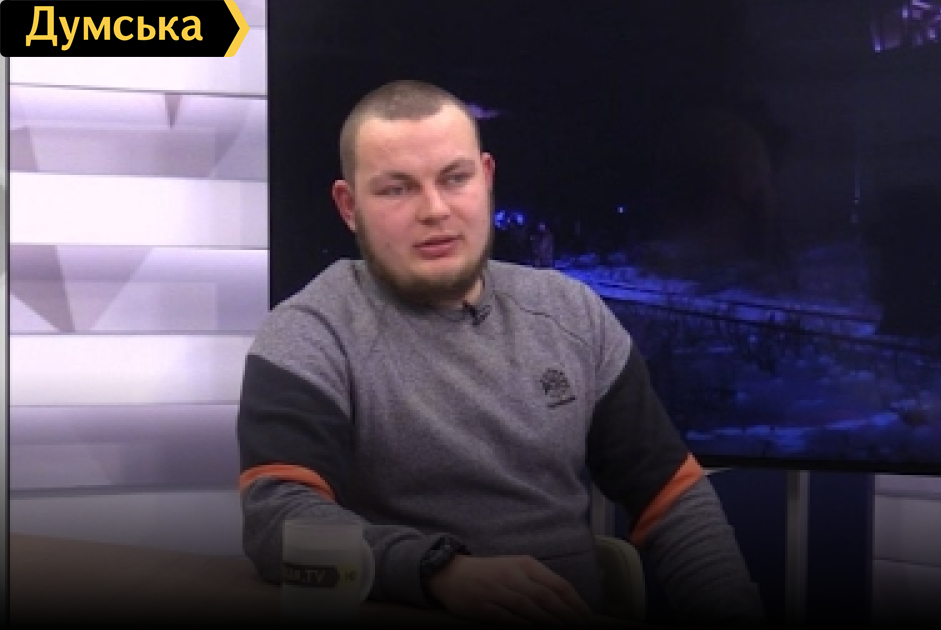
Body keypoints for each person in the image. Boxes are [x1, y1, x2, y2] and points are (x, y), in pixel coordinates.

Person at [236, 79, 765, 626]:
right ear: (349, 207)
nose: (435, 209)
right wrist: (439, 572)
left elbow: (670, 497)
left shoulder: (572, 313)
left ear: (486, 178)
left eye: (455, 178)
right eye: (396, 189)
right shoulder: (309, 333)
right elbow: (280, 523)